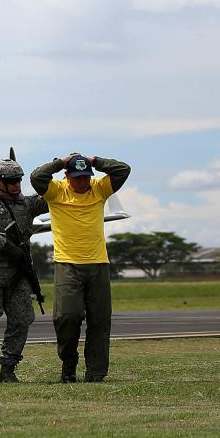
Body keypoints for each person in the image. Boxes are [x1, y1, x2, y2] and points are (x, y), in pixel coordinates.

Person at [31, 152, 131, 383]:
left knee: (100, 320)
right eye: (77, 177)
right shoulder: (56, 191)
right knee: (67, 316)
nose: (82, 182)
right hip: (67, 263)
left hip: (98, 264)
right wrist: (59, 162)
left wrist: (95, 161)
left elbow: (123, 170)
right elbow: (37, 178)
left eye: (86, 176)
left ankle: (95, 372)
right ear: (67, 176)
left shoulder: (99, 188)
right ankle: (68, 363)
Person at [0, 159, 48, 383]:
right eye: (11, 181)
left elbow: (53, 196)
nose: (16, 185)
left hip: (19, 274)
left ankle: (9, 367)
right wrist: (5, 246)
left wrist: (57, 165)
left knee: (22, 319)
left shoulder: (28, 204)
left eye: (19, 180)